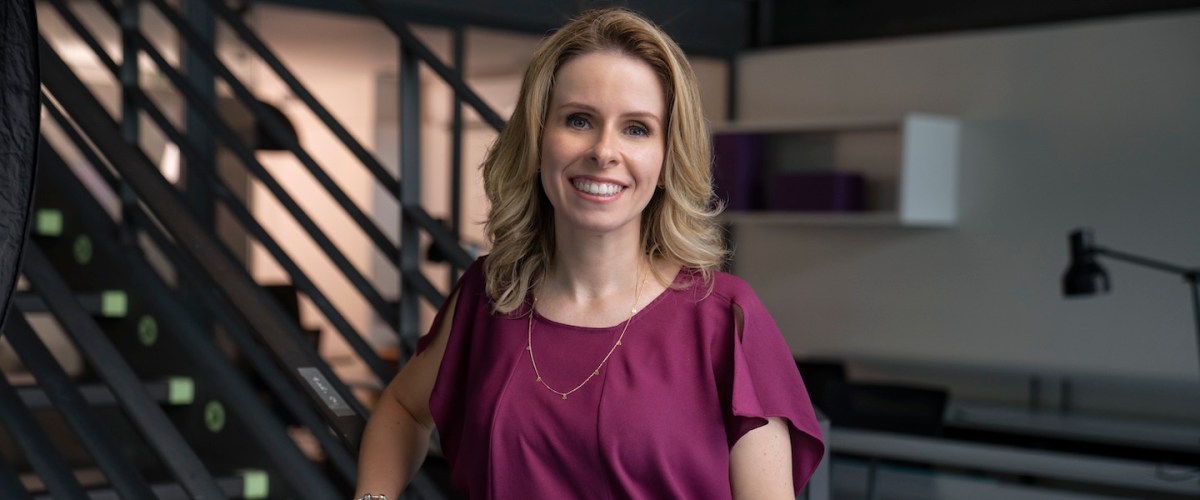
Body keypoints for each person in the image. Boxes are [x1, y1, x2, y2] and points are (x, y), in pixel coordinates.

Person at [355, 8, 824, 500]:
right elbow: (404, 410)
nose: (604, 150)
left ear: (667, 159)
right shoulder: (488, 294)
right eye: (579, 120)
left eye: (637, 129)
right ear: (538, 140)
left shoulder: (726, 319)